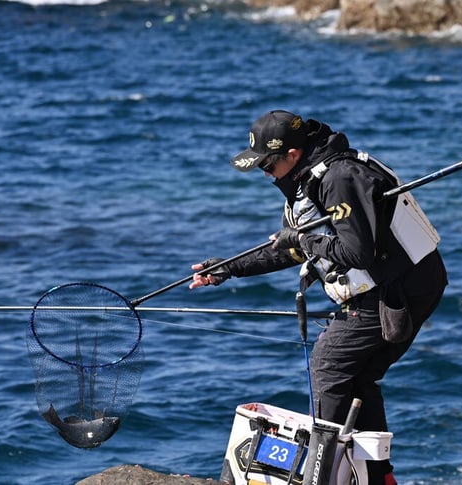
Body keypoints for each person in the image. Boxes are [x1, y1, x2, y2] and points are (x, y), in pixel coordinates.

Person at [190, 110, 447, 485]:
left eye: (268, 164)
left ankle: (323, 476)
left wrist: (302, 239)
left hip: (399, 288)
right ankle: (378, 478)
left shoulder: (339, 179)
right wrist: (230, 268)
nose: (265, 174)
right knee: (356, 378)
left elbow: (356, 253)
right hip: (400, 283)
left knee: (328, 368)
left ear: (293, 154)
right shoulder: (304, 181)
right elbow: (293, 248)